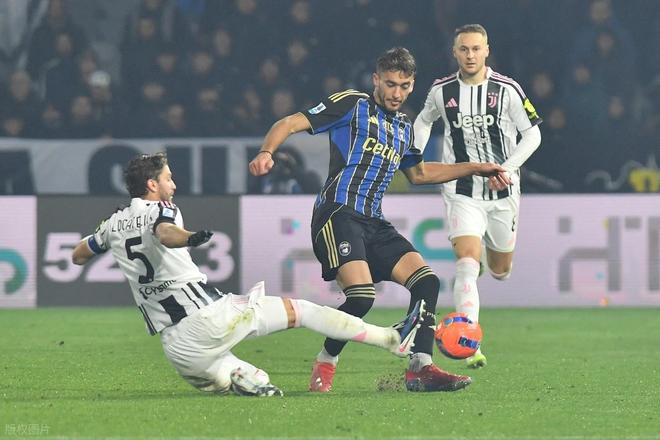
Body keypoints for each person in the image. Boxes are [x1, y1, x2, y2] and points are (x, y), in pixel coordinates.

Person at [249, 47, 509, 393]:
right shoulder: (352, 104)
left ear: (412, 85)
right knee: (361, 297)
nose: (396, 93)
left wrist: (476, 167)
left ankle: (420, 368)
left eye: (404, 86)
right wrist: (266, 152)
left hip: (374, 221)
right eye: (390, 84)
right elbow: (289, 123)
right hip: (338, 213)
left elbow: (419, 173)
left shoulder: (403, 127)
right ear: (376, 80)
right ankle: (327, 359)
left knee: (427, 283)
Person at [71, 152, 426, 397]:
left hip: (178, 349)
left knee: (256, 378)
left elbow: (79, 254)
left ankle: (242, 378)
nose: (173, 184)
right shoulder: (163, 209)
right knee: (303, 310)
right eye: (168, 178)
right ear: (152, 185)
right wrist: (189, 237)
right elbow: (165, 232)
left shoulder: (113, 223)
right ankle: (390, 339)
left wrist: (105, 246)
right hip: (207, 320)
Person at [413, 24, 543, 368]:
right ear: (454, 52)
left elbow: (533, 135)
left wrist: (507, 170)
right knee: (466, 262)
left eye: (475, 49)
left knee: (500, 270)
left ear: (487, 51)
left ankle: (486, 260)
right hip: (462, 190)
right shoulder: (441, 90)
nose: (470, 55)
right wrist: (414, 154)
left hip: (503, 192)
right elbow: (424, 121)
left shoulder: (508, 89)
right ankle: (469, 344)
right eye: (464, 49)